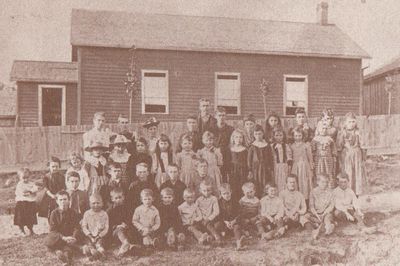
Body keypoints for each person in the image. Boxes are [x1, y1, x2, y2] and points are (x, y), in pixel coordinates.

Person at [45, 190, 81, 265]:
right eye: (60, 200)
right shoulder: (54, 213)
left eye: (65, 199)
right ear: (57, 201)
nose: (63, 202)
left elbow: (76, 227)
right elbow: (53, 230)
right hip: (59, 236)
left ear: (69, 200)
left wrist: (73, 237)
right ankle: (59, 251)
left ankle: (66, 254)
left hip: (70, 236)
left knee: (77, 240)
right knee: (49, 239)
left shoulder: (73, 212)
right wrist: (63, 237)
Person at [336, 112, 366, 196]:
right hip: (346, 156)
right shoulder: (342, 133)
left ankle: (356, 197)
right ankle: (347, 195)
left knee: (356, 175)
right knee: (348, 174)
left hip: (357, 156)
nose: (351, 124)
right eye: (349, 122)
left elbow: (363, 146)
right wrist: (340, 161)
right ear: (345, 122)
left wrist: (364, 159)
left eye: (353, 121)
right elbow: (339, 147)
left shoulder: (358, 132)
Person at [107, 187, 137, 257]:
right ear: (112, 199)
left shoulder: (127, 208)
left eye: (120, 197)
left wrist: (126, 224)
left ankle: (129, 246)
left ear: (123, 197)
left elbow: (130, 219)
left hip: (126, 229)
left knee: (131, 231)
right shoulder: (110, 211)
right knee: (119, 230)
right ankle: (126, 243)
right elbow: (108, 224)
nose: (118, 200)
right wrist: (117, 226)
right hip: (115, 233)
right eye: (116, 198)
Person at [214, 183, 245, 250]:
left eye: (228, 193)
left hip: (234, 222)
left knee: (237, 227)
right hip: (225, 223)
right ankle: (220, 238)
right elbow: (218, 215)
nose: (226, 195)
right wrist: (226, 222)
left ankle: (238, 243)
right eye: (224, 194)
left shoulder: (235, 201)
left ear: (231, 191)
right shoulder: (219, 203)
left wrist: (234, 221)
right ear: (221, 194)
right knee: (217, 225)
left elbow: (240, 214)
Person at [247, 125, 274, 197]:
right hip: (255, 169)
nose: (258, 136)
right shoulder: (252, 146)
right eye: (256, 134)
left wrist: (271, 169)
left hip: (265, 169)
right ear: (253, 135)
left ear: (263, 134)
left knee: (265, 184)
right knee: (256, 184)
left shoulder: (267, 145)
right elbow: (249, 159)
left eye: (260, 134)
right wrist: (250, 170)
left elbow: (270, 158)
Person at [81, 194, 109, 261]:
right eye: (93, 203)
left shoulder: (104, 214)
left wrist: (99, 236)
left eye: (98, 203)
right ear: (90, 204)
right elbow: (84, 226)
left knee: (99, 244)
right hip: (89, 235)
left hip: (100, 236)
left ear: (102, 203)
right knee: (89, 244)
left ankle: (101, 253)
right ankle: (90, 253)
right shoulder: (87, 213)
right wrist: (89, 235)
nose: (96, 205)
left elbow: (106, 228)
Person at [307, 174, 335, 240]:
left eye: (326, 182)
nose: (325, 184)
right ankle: (315, 228)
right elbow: (311, 205)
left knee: (328, 218)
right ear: (318, 182)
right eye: (323, 182)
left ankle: (328, 228)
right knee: (305, 217)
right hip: (315, 214)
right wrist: (315, 214)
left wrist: (325, 212)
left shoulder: (330, 192)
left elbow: (332, 205)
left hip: (325, 213)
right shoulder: (313, 191)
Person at [290, 126, 314, 201]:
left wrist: (311, 167)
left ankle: (306, 199)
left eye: (299, 135)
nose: (298, 137)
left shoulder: (306, 145)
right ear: (293, 136)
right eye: (296, 135)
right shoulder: (292, 146)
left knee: (305, 182)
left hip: (304, 166)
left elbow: (310, 157)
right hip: (295, 166)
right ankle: (297, 200)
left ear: (303, 136)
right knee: (296, 182)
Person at [14, 167, 38, 236]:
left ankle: (31, 230)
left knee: (30, 217)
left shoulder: (31, 183)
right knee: (21, 217)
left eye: (27, 177)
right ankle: (21, 230)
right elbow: (22, 193)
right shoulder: (20, 184)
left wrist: (31, 191)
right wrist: (29, 192)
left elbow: (35, 189)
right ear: (19, 178)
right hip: (22, 203)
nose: (25, 179)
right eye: (23, 178)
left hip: (30, 202)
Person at [311, 122, 337, 187]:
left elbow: (333, 150)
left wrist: (334, 158)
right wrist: (313, 160)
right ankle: (319, 189)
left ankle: (329, 189)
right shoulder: (315, 139)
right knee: (319, 173)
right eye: (322, 128)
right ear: (318, 129)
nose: (324, 130)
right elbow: (312, 151)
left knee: (329, 173)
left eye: (326, 128)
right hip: (319, 159)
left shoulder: (330, 139)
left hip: (328, 159)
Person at [196, 181, 221, 245]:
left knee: (217, 224)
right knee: (198, 226)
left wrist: (209, 219)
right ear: (200, 190)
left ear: (211, 190)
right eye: (204, 191)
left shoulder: (214, 198)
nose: (206, 193)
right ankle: (216, 236)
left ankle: (211, 237)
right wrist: (201, 218)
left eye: (208, 190)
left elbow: (216, 211)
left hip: (211, 220)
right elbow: (196, 210)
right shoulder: (198, 200)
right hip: (201, 220)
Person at [213, 107, 234, 183]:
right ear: (215, 116)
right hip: (214, 155)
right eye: (219, 115)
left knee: (226, 178)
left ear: (226, 117)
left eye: (223, 115)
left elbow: (233, 144)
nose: (221, 117)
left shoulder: (231, 129)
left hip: (227, 156)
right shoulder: (211, 129)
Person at [229, 129, 249, 201]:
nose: (238, 139)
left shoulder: (245, 150)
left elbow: (248, 162)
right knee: (234, 188)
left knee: (242, 188)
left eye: (240, 137)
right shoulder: (230, 149)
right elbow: (228, 162)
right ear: (233, 138)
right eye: (236, 137)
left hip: (243, 172)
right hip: (233, 172)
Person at [271, 127, 293, 193]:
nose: (279, 137)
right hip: (276, 167)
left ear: (283, 136)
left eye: (280, 135)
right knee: (276, 182)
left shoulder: (286, 146)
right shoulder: (271, 146)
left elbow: (289, 158)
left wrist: (289, 168)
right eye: (276, 135)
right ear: (273, 136)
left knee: (284, 182)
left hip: (284, 167)